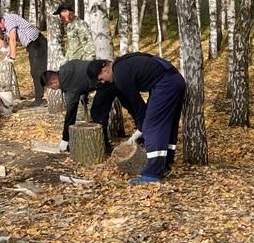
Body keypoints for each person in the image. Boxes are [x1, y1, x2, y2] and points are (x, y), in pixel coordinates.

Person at [87, 53, 185, 184]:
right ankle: (166, 162)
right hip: (173, 79)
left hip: (165, 84)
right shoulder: (122, 63)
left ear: (105, 69)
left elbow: (138, 105)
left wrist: (141, 128)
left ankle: (152, 174)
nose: (102, 82)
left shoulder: (120, 75)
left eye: (101, 78)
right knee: (167, 123)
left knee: (152, 126)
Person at [41, 60, 117, 153]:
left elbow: (71, 114)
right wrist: (83, 91)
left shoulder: (69, 87)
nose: (54, 89)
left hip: (107, 80)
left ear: (54, 82)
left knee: (97, 113)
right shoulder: (67, 66)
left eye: (52, 88)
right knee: (128, 102)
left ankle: (104, 147)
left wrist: (65, 139)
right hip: (110, 72)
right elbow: (81, 75)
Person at [0, 11, 48, 106]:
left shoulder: (9, 19)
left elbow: (13, 39)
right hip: (31, 45)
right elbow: (0, 38)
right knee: (35, 72)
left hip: (38, 43)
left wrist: (11, 58)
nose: (0, 29)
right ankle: (42, 95)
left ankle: (39, 99)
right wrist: (3, 51)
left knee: (37, 71)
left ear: (0, 21)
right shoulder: (2, 26)